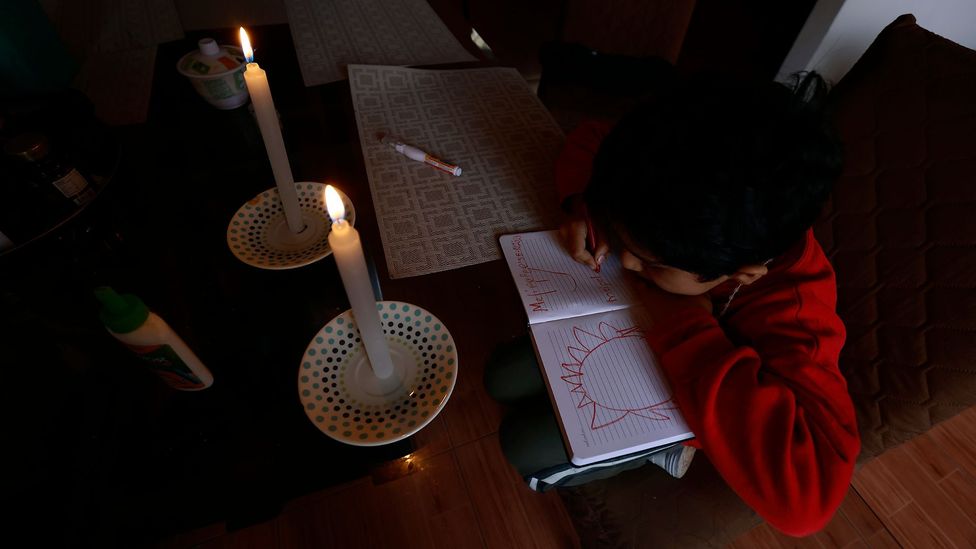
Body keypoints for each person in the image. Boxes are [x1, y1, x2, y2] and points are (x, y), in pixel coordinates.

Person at [484, 71, 861, 537]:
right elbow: (591, 139)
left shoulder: (797, 309)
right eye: (625, 241)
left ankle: (664, 450)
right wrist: (587, 204)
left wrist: (687, 325)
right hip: (629, 331)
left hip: (689, 384)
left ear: (742, 276)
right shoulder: (666, 171)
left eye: (648, 261)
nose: (624, 260)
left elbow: (810, 503)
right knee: (500, 375)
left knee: (521, 445)